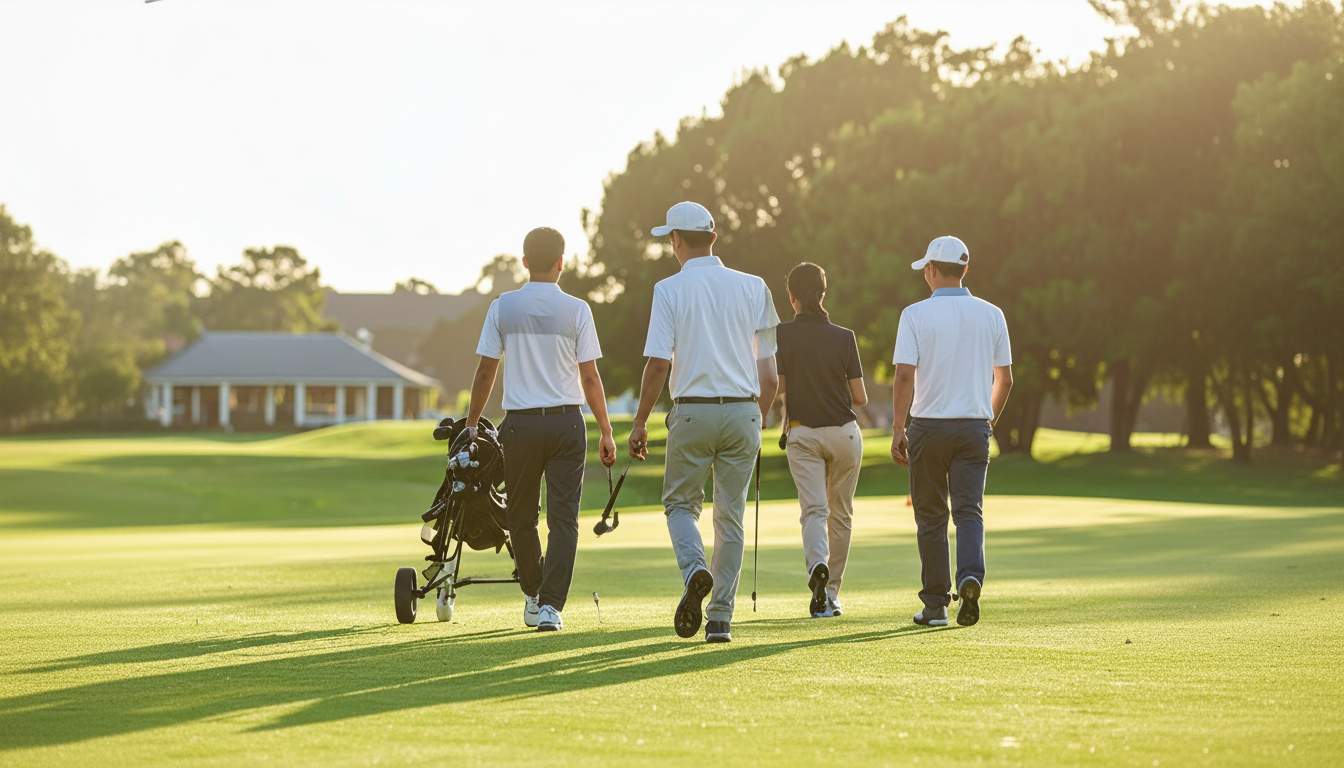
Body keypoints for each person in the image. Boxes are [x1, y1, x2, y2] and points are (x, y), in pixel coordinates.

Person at [628, 201, 780, 644]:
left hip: (692, 410)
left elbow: (658, 365)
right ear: (714, 238)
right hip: (744, 409)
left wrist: (640, 422)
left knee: (680, 505)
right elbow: (769, 374)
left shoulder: (669, 289)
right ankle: (719, 620)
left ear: (675, 240)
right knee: (730, 519)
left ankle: (696, 569)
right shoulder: (755, 287)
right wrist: (760, 414)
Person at [466, 226, 618, 632]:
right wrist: (605, 430)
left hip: (520, 426)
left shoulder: (503, 307)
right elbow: (590, 378)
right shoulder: (578, 310)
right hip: (569, 423)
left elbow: (485, 372)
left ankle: (534, 595)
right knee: (564, 520)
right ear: (562, 263)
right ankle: (551, 606)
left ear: (525, 262)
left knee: (521, 518)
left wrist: (470, 425)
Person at [890, 235, 1012, 628]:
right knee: (968, 511)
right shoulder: (993, 314)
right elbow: (1005, 380)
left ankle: (936, 606)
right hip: (974, 426)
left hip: (927, 427)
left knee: (930, 516)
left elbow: (905, 375)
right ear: (965, 269)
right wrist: (987, 420)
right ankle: (970, 576)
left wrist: (897, 427)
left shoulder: (914, 314)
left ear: (930, 270)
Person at [775, 262, 868, 619]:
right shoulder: (845, 337)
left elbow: (778, 385)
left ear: (792, 296)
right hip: (845, 433)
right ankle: (831, 595)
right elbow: (859, 396)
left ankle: (817, 566)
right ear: (823, 294)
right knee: (840, 515)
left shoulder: (781, 334)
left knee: (814, 510)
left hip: (803, 433)